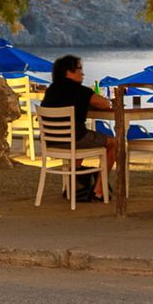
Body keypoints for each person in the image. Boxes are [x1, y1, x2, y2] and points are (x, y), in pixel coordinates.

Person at [41, 54, 116, 201]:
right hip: (74, 139)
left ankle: (73, 188)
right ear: (69, 72)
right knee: (114, 143)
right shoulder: (80, 91)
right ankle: (99, 190)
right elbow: (105, 104)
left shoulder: (51, 90)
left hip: (51, 141)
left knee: (79, 143)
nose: (83, 73)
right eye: (79, 69)